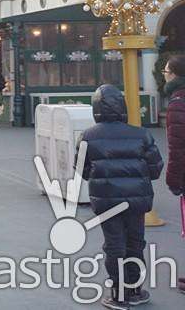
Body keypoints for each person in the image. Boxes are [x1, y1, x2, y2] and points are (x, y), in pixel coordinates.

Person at [78, 84, 163, 309]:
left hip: (106, 199)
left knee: (114, 245)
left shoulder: (88, 136)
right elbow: (155, 168)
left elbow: (82, 170)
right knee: (136, 243)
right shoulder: (141, 134)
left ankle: (119, 294)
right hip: (136, 199)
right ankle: (135, 289)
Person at [162, 55, 185, 294]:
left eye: (166, 71)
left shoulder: (178, 103)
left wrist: (173, 180)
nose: (164, 75)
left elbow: (178, 148)